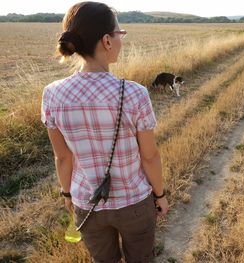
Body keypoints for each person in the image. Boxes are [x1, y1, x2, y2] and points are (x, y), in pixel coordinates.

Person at [40, 2, 169, 262]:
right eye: (119, 33)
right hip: (134, 203)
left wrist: (68, 195)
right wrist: (160, 195)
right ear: (107, 41)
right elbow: (150, 156)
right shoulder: (134, 93)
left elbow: (63, 158)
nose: (121, 39)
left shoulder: (51, 94)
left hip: (87, 205)